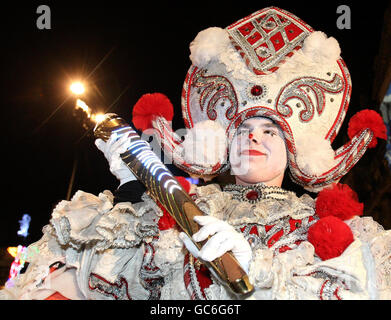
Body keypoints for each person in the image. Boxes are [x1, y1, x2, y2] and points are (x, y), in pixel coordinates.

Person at [1, 6, 390, 300]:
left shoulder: (328, 230)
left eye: (270, 130)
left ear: (293, 149)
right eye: (243, 130)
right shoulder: (183, 209)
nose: (253, 140)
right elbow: (99, 281)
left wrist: (254, 268)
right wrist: (133, 192)